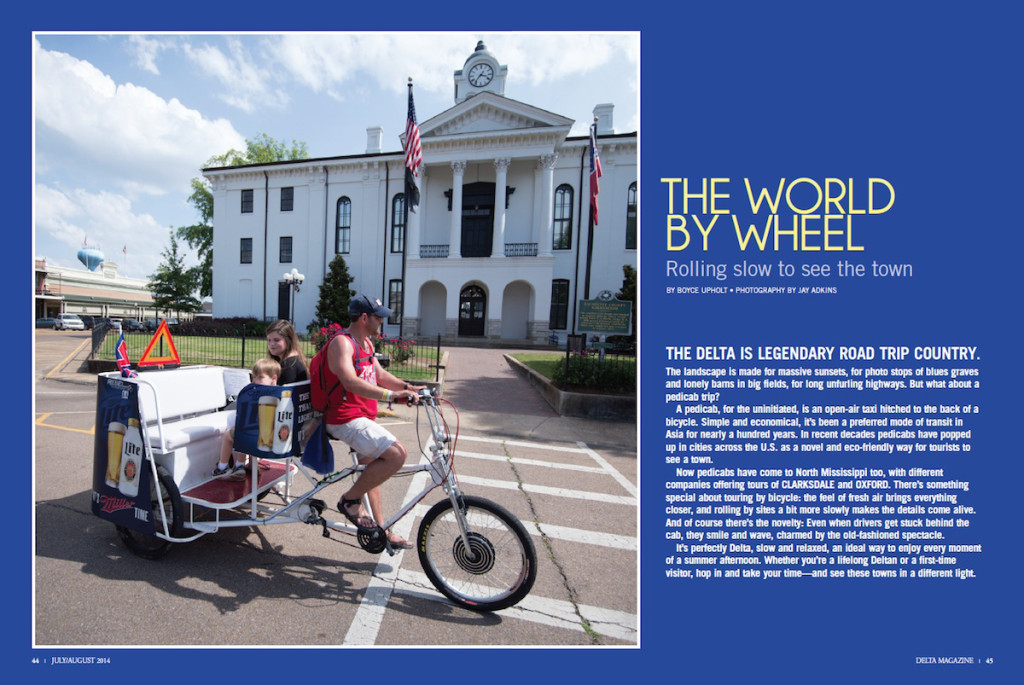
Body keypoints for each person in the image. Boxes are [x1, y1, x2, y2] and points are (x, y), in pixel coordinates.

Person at [322, 294, 423, 549]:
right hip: (344, 419)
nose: (382, 321)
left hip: (360, 417)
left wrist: (406, 386)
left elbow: (378, 374)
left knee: (373, 473)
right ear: (364, 318)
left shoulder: (365, 343)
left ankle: (383, 531)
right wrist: (392, 395)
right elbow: (350, 381)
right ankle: (349, 500)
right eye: (379, 317)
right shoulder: (342, 344)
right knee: (397, 454)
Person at [212, 358, 280, 480]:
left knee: (229, 435)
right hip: (272, 435)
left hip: (259, 436)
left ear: (273, 378)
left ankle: (223, 467)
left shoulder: (258, 394)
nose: (254, 381)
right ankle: (241, 466)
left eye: (260, 377)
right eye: (253, 377)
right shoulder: (280, 392)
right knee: (237, 425)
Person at [266, 319, 309, 385]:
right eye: (269, 340)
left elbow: (283, 393)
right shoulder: (295, 359)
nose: (271, 344)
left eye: (276, 340)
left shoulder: (288, 365)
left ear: (289, 340)